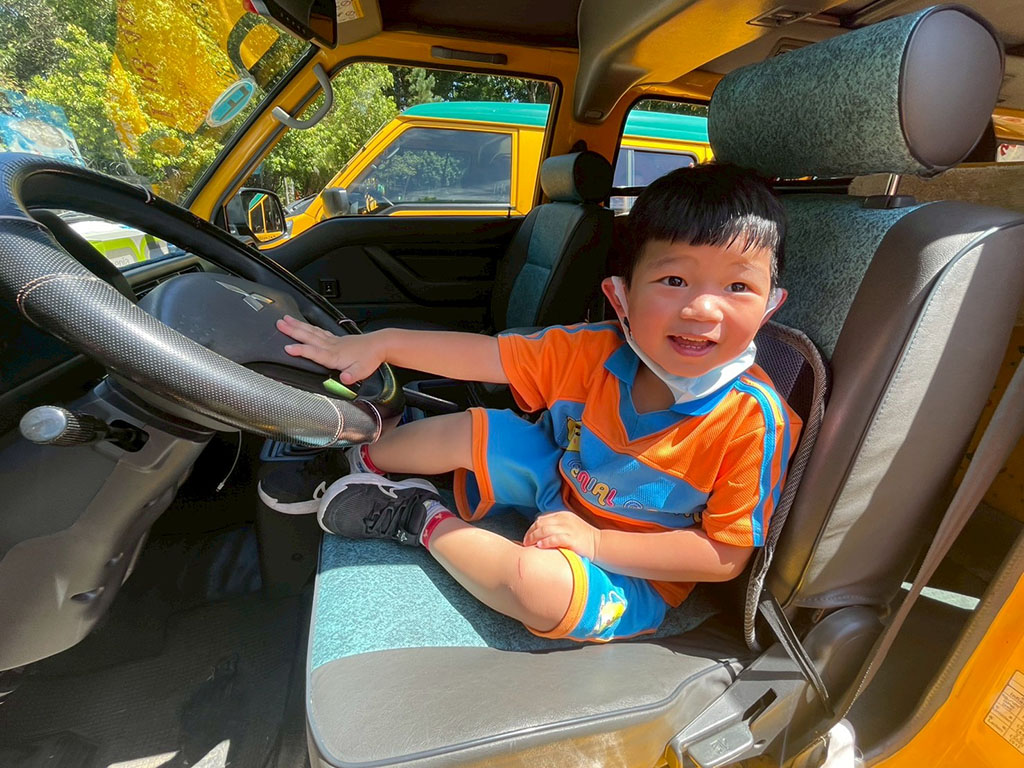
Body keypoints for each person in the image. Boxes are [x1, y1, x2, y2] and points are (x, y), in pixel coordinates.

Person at [271, 164, 802, 642]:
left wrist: (596, 545)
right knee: (473, 427)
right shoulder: (594, 351)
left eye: (737, 286)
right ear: (621, 296)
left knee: (537, 588)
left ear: (769, 307)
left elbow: (724, 555)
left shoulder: (755, 420)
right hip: (559, 482)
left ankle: (417, 516)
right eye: (675, 280)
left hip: (635, 568)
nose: (703, 309)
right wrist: (381, 343)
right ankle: (356, 459)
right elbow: (485, 356)